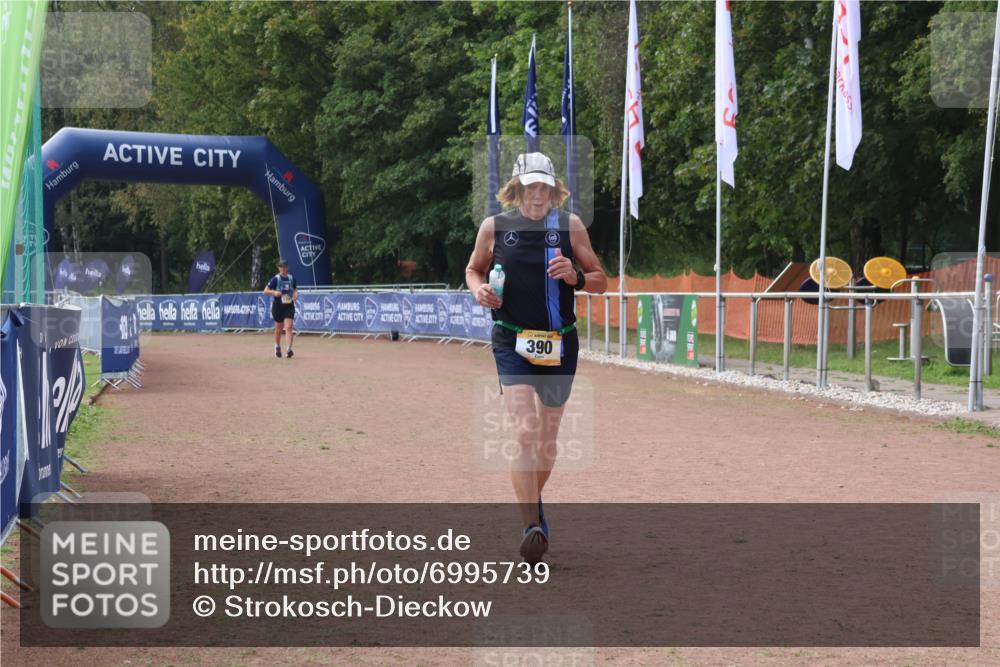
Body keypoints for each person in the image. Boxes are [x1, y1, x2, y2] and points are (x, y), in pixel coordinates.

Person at [466, 152, 607, 564]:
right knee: (525, 432)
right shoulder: (494, 228)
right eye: (531, 187)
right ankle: (532, 526)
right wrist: (478, 290)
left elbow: (600, 279)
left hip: (560, 342)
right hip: (511, 341)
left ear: (553, 190)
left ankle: (531, 496)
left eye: (545, 187)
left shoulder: (570, 227)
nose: (538, 194)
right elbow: (473, 269)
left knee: (546, 442)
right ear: (517, 189)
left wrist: (576, 276)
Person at [264, 260, 298, 358]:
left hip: (289, 305)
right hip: (278, 305)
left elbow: (295, 289)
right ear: (279, 268)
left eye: (284, 267)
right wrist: (274, 293)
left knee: (289, 327)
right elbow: (265, 291)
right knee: (278, 329)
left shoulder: (291, 278)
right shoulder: (275, 279)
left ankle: (289, 349)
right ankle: (277, 346)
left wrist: (296, 294)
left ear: (287, 267)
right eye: (280, 267)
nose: (282, 269)